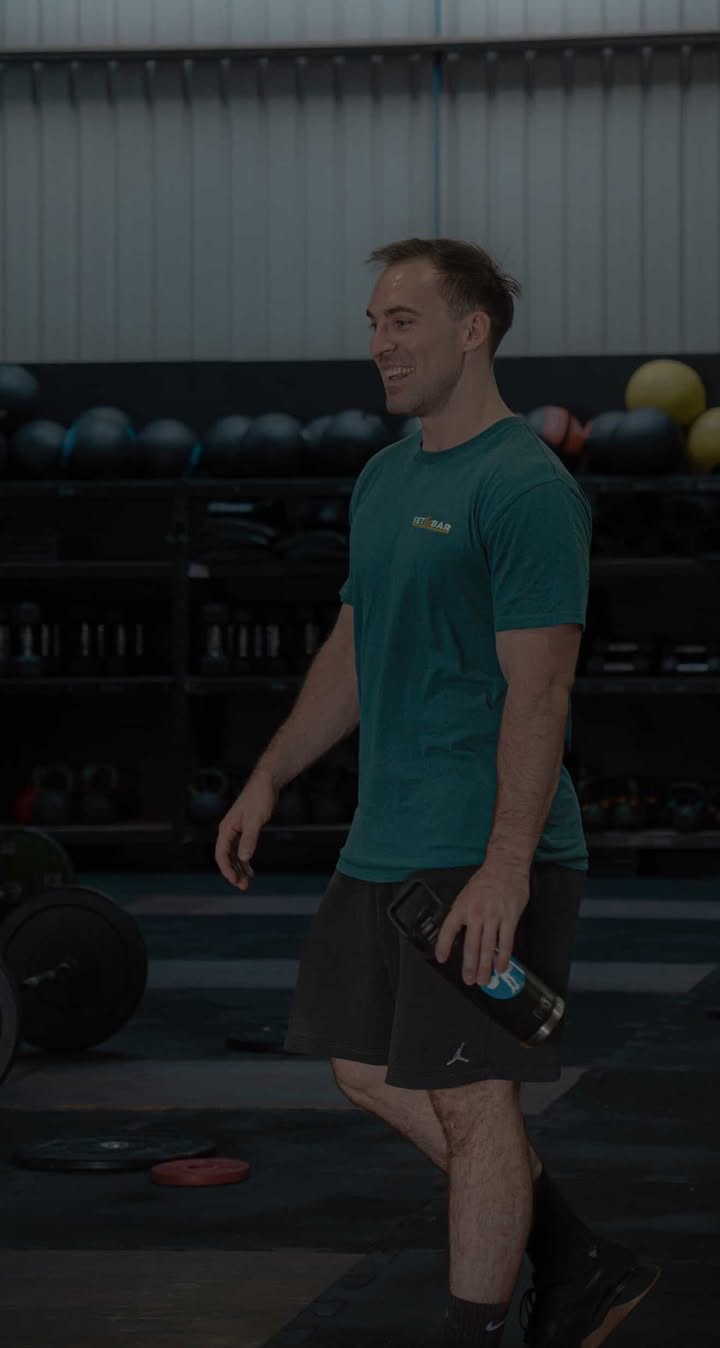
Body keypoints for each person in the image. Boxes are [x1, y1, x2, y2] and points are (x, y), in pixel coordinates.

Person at [216, 239, 660, 1346]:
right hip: (386, 840)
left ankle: (476, 1325)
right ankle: (576, 1259)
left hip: (479, 849)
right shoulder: (384, 478)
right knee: (364, 1069)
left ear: (473, 330)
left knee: (475, 1101)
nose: (379, 344)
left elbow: (542, 688)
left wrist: (508, 866)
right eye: (373, 320)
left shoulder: (525, 487)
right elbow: (357, 649)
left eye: (403, 320)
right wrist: (269, 773)